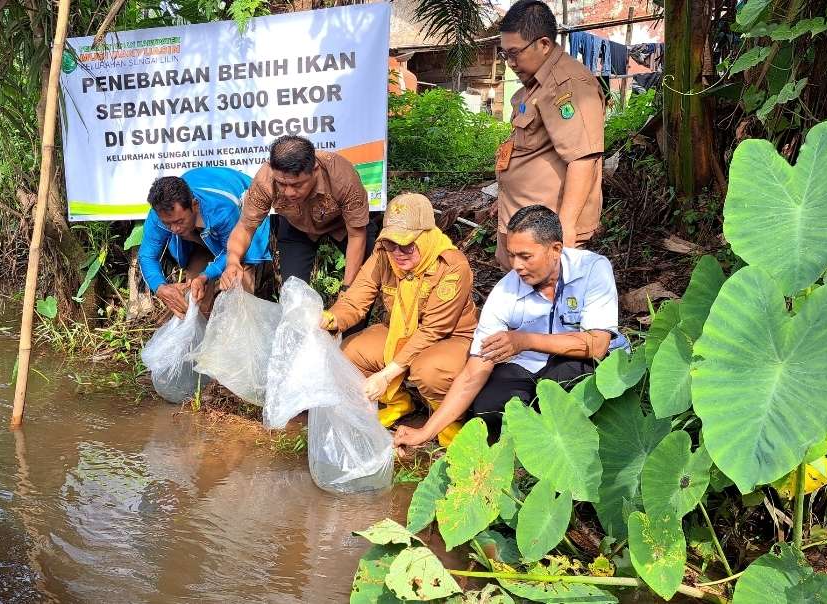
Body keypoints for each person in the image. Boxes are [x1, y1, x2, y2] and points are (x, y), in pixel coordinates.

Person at [394, 205, 628, 448]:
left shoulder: (592, 269)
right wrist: (425, 432)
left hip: (586, 361)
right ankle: (526, 437)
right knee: (487, 408)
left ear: (556, 249)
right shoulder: (505, 290)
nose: (516, 266)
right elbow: (474, 372)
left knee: (562, 386)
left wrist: (524, 340)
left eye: (525, 256)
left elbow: (597, 345)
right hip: (529, 366)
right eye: (511, 255)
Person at [320, 193, 478, 446]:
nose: (397, 252)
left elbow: (433, 331)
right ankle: (399, 402)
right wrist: (331, 319)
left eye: (406, 245)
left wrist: (386, 375)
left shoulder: (452, 265)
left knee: (430, 369)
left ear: (426, 236)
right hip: (401, 330)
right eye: (391, 243)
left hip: (449, 338)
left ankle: (447, 419)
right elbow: (356, 299)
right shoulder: (383, 255)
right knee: (350, 351)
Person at [494, 0, 606, 269]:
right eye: (505, 54)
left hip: (545, 234)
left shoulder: (567, 85)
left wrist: (565, 227)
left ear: (544, 44)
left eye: (515, 53)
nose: (510, 63)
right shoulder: (535, 84)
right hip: (523, 223)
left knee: (546, 295)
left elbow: (583, 159)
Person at [220, 135, 377, 295]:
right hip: (296, 227)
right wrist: (233, 261)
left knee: (367, 282)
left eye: (297, 184)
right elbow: (245, 227)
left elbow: (357, 235)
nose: (289, 192)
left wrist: (348, 289)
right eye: (282, 184)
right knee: (293, 293)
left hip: (342, 224)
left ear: (315, 170)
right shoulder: (265, 180)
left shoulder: (343, 177)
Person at [139, 167, 272, 318]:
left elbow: (233, 252)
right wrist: (159, 287)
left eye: (179, 221)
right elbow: (148, 256)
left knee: (239, 291)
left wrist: (206, 276)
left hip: (240, 220)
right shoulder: (159, 215)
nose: (174, 229)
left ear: (194, 205)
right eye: (167, 224)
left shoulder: (222, 210)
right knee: (194, 299)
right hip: (198, 235)